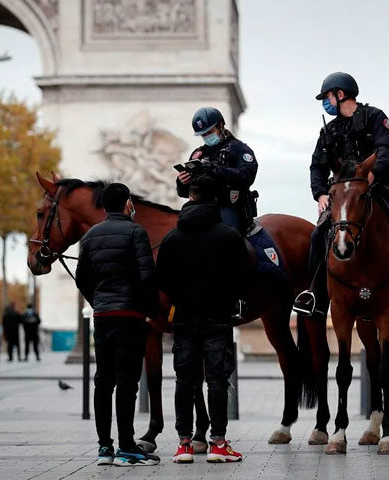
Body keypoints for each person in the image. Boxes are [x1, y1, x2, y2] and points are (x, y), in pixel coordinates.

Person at [293, 72, 389, 321]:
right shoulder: (328, 130)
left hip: (380, 186)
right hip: (342, 195)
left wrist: (372, 175)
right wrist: (319, 194)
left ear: (340, 95)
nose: (326, 102)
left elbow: (385, 149)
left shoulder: (375, 117)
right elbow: (317, 166)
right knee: (319, 234)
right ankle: (315, 294)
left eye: (327, 96)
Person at [157, 175, 249, 464]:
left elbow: (162, 281)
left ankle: (184, 445)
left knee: (184, 380)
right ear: (216, 199)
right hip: (217, 317)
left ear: (190, 197)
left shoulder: (172, 238)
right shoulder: (229, 237)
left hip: (184, 318)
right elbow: (243, 280)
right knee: (217, 380)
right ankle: (218, 444)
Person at [75, 182, 160, 467]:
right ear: (127, 204)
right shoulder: (136, 232)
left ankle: (104, 448)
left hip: (103, 317)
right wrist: (149, 310)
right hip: (130, 316)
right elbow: (147, 276)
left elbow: (82, 277)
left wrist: (98, 302)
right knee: (127, 381)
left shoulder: (90, 236)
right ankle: (127, 445)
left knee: (103, 380)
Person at [176, 106, 258, 234]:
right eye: (203, 134)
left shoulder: (238, 149)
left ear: (220, 125)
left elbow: (247, 175)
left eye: (209, 132)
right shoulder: (198, 154)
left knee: (227, 237)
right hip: (199, 206)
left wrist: (216, 170)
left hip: (228, 206)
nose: (206, 136)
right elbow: (184, 192)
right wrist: (182, 181)